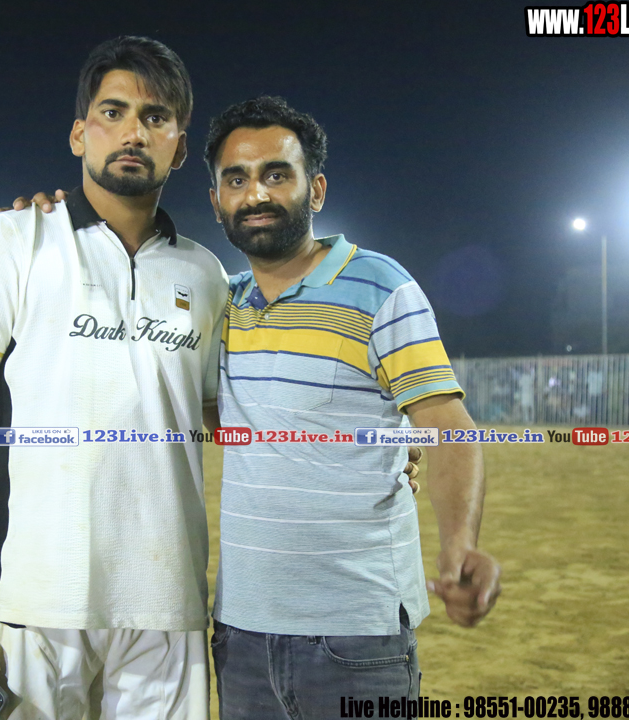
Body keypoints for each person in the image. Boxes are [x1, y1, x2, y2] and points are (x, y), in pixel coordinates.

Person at [0, 37, 228, 720]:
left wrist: (361, 446)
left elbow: (228, 423)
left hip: (168, 607)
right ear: (79, 134)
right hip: (31, 602)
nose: (133, 132)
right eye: (113, 112)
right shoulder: (11, 242)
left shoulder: (206, 275)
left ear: (179, 147)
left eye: (155, 117)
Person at [201, 97, 501, 716]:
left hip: (356, 636)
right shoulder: (218, 304)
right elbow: (225, 416)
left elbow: (447, 426)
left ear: (315, 189)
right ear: (216, 201)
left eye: (276, 174)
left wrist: (458, 545)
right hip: (241, 632)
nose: (255, 193)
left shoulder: (382, 286)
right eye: (236, 179)